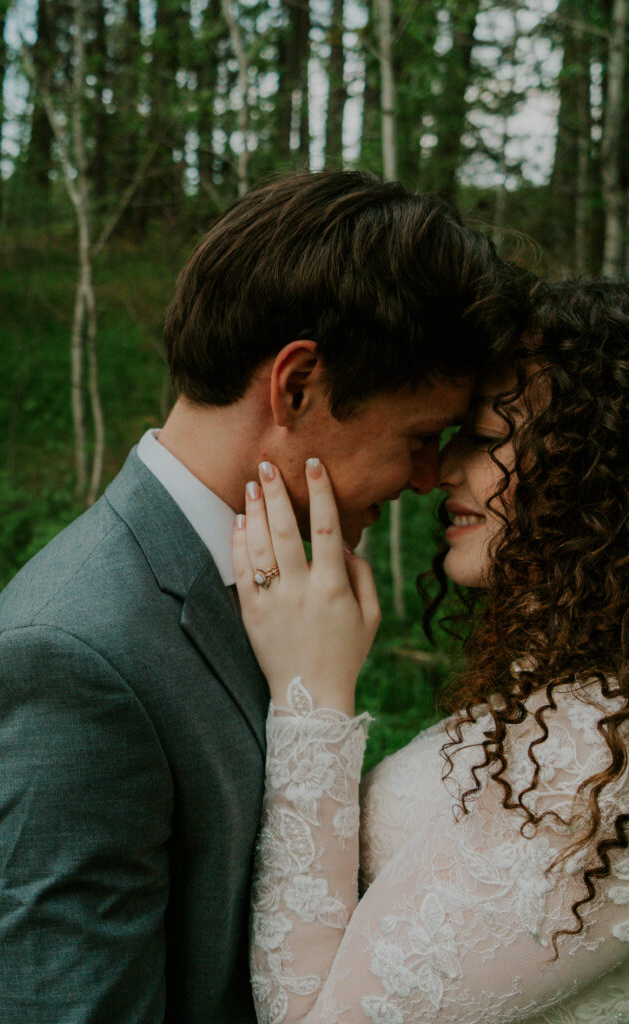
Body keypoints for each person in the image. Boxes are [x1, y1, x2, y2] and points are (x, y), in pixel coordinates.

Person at [0, 171, 525, 1023]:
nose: (430, 477)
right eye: (419, 437)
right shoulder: (66, 659)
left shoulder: (297, 590)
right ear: (296, 386)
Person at [237, 280, 629, 1024]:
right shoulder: (564, 702)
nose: (442, 472)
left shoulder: (595, 767)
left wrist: (313, 700)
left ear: (595, 469)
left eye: (484, 441)